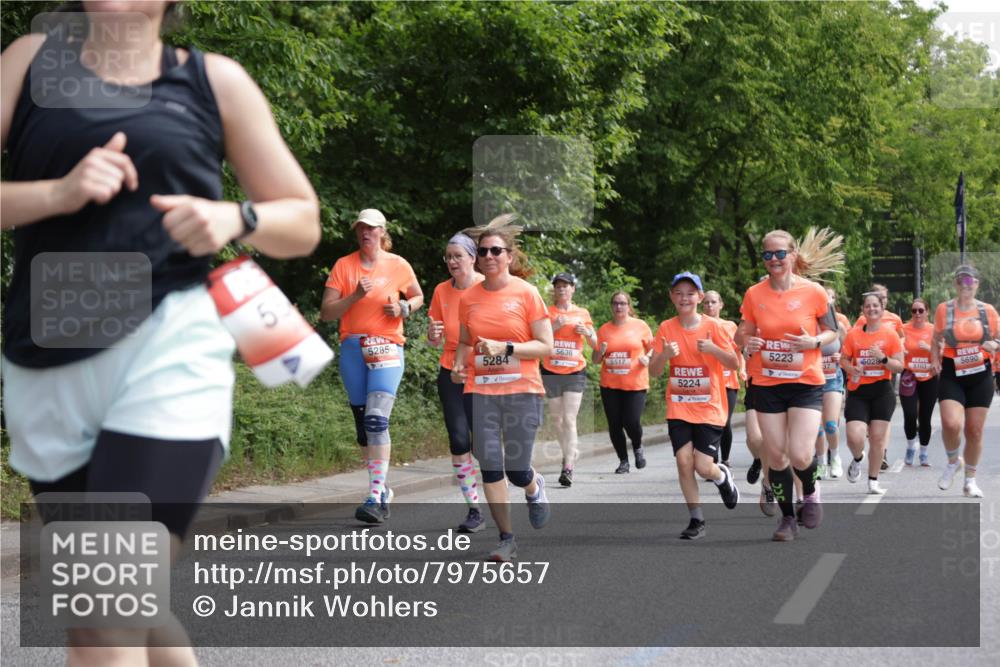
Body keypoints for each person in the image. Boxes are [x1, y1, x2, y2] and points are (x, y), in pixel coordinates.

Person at [1, 3, 321, 664]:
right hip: (46, 359)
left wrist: (235, 215)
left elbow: (303, 220)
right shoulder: (27, 63)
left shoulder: (215, 81)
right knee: (128, 608)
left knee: (104, 612)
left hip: (169, 346)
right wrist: (55, 194)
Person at [450, 214, 553, 562]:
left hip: (522, 390)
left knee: (517, 469)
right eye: (483, 251)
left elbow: (545, 347)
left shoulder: (527, 294)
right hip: (480, 392)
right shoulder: (469, 298)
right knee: (490, 466)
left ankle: (534, 486)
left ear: (509, 256)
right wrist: (459, 364)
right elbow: (465, 340)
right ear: (477, 257)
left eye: (497, 250)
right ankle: (506, 538)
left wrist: (506, 348)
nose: (489, 256)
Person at [736, 229, 842, 542]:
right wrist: (747, 341)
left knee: (799, 454)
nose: (774, 260)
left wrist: (814, 341)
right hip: (766, 382)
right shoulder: (754, 294)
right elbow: (743, 331)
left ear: (793, 255)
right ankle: (786, 519)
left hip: (805, 382)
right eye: (767, 255)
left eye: (780, 253)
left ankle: (810, 493)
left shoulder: (814, 292)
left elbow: (832, 332)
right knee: (777, 456)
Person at [321, 208, 424, 523]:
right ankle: (382, 489)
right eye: (360, 229)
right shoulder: (344, 266)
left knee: (377, 420)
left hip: (387, 346)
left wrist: (404, 306)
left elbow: (418, 296)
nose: (365, 233)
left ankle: (375, 497)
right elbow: (326, 313)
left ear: (382, 232)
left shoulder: (398, 265)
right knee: (364, 428)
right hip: (353, 347)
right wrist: (353, 296)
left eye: (371, 228)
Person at [649, 273, 740, 539]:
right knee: (683, 461)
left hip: (709, 407)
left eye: (690, 293)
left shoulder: (714, 327)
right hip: (678, 406)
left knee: (703, 467)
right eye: (679, 293)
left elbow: (734, 364)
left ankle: (721, 476)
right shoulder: (666, 328)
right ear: (672, 297)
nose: (684, 298)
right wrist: (665, 355)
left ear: (700, 297)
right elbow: (654, 371)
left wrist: (713, 349)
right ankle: (696, 518)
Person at [427, 232, 485, 532]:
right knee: (459, 440)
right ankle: (474, 509)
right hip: (451, 371)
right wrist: (433, 335)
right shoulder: (440, 291)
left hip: (485, 373)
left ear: (472, 258)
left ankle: (525, 482)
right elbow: (434, 337)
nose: (451, 261)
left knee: (485, 447)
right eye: (448, 256)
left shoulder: (486, 288)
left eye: (457, 256)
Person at [931, 265, 999, 498]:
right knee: (951, 424)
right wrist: (934, 359)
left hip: (980, 373)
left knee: (975, 431)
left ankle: (970, 480)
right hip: (953, 371)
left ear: (977, 284)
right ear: (955, 285)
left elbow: (998, 336)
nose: (965, 286)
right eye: (961, 282)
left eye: (969, 282)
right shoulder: (944, 309)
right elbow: (936, 337)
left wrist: (995, 345)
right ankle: (953, 461)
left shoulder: (987, 310)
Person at [841, 292, 905, 495]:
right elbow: (843, 360)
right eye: (868, 306)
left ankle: (873, 480)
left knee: (877, 439)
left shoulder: (890, 335)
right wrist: (851, 369)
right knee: (854, 436)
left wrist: (883, 359)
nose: (872, 309)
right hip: (858, 391)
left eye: (875, 306)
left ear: (882, 308)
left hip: (882, 391)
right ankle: (858, 458)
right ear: (863, 310)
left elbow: (899, 367)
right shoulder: (854, 334)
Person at [541, 271, 597, 487]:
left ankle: (568, 466)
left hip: (575, 370)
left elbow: (595, 343)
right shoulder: (547, 312)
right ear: (554, 290)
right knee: (557, 420)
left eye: (566, 285)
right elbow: (537, 338)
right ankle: (568, 453)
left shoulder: (582, 313)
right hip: (551, 371)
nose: (562, 289)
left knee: (569, 419)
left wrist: (587, 332)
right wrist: (554, 328)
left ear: (573, 289)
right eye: (558, 286)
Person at [594, 291, 654, 474]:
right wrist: (601, 351)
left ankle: (637, 446)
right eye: (615, 303)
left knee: (631, 421)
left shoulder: (640, 326)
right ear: (611, 306)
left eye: (622, 303)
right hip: (610, 385)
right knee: (614, 424)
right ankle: (623, 461)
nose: (619, 307)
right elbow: (595, 359)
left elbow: (654, 349)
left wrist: (647, 357)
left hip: (635, 383)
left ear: (629, 306)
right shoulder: (604, 329)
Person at [702, 290, 744, 470]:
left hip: (728, 381)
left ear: (721, 305)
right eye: (706, 302)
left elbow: (737, 352)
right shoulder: (698, 324)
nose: (710, 305)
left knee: (725, 421)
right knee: (710, 421)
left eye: (713, 302)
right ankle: (713, 460)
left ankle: (724, 460)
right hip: (708, 383)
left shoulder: (730, 326)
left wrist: (742, 369)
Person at [815, 287, 850, 479]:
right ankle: (821, 462)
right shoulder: (811, 324)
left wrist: (841, 355)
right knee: (817, 427)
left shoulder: (840, 325)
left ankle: (835, 456)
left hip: (832, 378)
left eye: (830, 298)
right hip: (813, 379)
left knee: (830, 424)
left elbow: (850, 350)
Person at [900, 297, 938, 467]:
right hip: (909, 376)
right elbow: (895, 347)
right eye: (914, 311)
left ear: (927, 312)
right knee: (909, 414)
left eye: (920, 310)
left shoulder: (933, 330)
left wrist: (929, 348)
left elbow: (944, 354)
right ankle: (910, 446)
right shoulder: (903, 329)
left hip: (929, 378)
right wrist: (901, 350)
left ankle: (923, 451)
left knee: (925, 417)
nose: (917, 314)